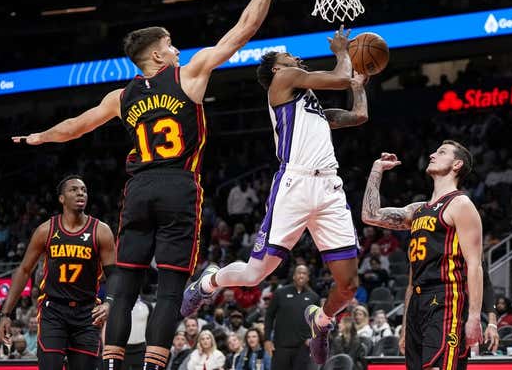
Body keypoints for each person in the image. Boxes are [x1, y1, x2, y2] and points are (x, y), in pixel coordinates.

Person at [11, 0, 293, 370]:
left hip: (138, 189)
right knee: (169, 289)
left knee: (123, 286)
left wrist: (38, 136)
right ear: (159, 56)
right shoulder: (189, 74)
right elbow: (243, 30)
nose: (177, 50)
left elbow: (76, 126)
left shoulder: (120, 97)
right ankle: (153, 366)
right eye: (170, 45)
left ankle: (111, 365)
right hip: (178, 185)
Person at [182, 25, 370, 366]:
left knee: (348, 286)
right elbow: (340, 76)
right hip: (294, 185)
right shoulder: (282, 83)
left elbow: (359, 116)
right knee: (255, 274)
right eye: (289, 58)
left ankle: (321, 321)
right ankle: (208, 283)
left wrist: (359, 88)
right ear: (276, 69)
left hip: (329, 188)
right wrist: (343, 52)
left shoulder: (312, 110)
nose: (296, 59)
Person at [362, 144, 483, 370]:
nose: (432, 155)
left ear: (457, 164)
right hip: (417, 299)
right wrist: (377, 169)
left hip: (446, 296)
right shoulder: (417, 210)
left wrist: (475, 317)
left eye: (442, 152)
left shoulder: (460, 204)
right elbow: (370, 216)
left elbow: (475, 265)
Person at [0, 176, 115, 370]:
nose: (80, 193)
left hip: (87, 313)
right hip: (54, 311)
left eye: (84, 190)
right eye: (74, 190)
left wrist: (110, 303)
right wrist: (5, 313)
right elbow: (24, 270)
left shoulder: (101, 231)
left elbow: (115, 275)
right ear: (61, 198)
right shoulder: (46, 230)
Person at [264, 265, 319, 370]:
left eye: (304, 273)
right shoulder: (280, 293)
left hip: (302, 348)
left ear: (308, 277)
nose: (301, 275)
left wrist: (313, 338)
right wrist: (267, 339)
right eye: (299, 273)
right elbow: (269, 316)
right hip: (281, 346)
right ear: (294, 276)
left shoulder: (314, 297)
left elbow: (317, 322)